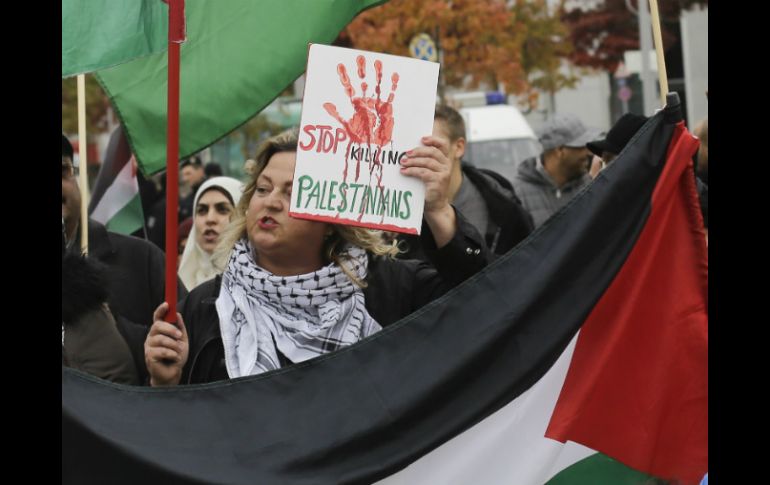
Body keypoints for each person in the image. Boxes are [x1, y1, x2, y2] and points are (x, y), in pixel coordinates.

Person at [145, 129, 491, 386]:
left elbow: (485, 303)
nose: (271, 202)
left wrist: (438, 210)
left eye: (293, 192)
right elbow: (181, 432)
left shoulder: (391, 289)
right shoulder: (205, 307)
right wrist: (165, 382)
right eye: (262, 189)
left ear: (331, 218)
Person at [398, 106, 533, 259]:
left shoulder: (503, 208)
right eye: (414, 147)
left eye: (430, 146)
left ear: (459, 147)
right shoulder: (400, 208)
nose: (420, 154)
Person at [512, 114, 602, 227]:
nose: (589, 153)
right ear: (560, 150)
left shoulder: (590, 187)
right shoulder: (519, 194)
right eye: (582, 146)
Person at [178, 176, 243, 290]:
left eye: (222, 210)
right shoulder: (181, 283)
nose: (210, 219)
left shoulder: (254, 285)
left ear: (242, 217)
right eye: (202, 210)